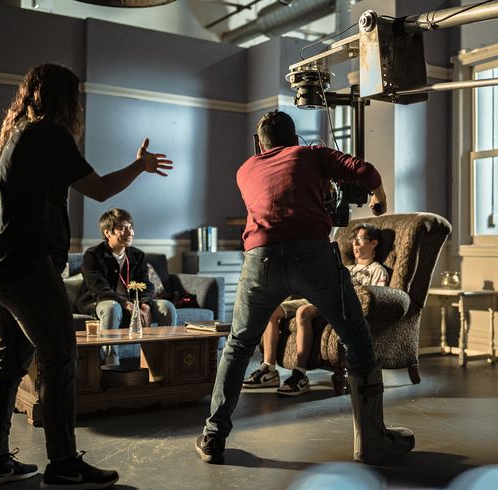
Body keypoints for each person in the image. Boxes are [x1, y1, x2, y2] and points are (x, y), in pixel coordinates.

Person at [0, 63, 172, 489]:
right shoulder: (48, 133)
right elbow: (98, 189)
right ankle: (63, 465)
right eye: (76, 98)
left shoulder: (14, 136)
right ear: (65, 100)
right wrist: (139, 166)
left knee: (8, 362)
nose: (79, 106)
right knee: (60, 356)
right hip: (24, 267)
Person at [195, 110, 413, 466]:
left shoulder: (245, 169)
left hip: (260, 258)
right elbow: (365, 171)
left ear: (258, 144)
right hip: (312, 254)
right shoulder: (311, 154)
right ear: (295, 139)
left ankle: (213, 436)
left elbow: (278, 197)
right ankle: (372, 440)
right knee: (357, 341)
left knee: (237, 344)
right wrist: (379, 195)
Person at [243, 223, 389, 397]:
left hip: (337, 302)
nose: (355, 244)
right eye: (354, 240)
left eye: (361, 239)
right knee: (272, 311)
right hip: (317, 296)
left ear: (373, 243)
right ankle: (269, 369)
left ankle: (300, 374)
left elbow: (375, 298)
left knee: (303, 312)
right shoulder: (346, 268)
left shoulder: (377, 270)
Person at [76, 208, 178, 366]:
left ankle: (162, 364)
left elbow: (147, 286)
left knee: (167, 307)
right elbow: (99, 289)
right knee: (112, 307)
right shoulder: (93, 255)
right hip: (102, 302)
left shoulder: (137, 255)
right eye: (122, 228)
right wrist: (128, 305)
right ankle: (111, 365)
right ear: (107, 232)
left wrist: (145, 304)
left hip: (134, 303)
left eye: (130, 227)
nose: (130, 232)